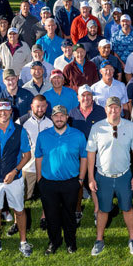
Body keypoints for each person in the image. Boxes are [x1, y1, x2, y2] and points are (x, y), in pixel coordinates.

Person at [86, 97, 133, 255]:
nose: (113, 110)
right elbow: (91, 153)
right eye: (110, 108)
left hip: (124, 176)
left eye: (116, 108)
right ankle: (99, 240)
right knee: (103, 211)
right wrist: (90, 177)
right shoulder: (97, 127)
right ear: (105, 109)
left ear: (121, 109)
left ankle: (132, 239)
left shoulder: (130, 126)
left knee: (127, 208)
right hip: (103, 176)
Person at [0, 101, 36, 258]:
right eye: (0, 110)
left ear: (11, 112)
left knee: (19, 211)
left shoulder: (20, 131)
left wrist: (15, 171)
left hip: (15, 179)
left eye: (6, 110)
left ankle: (23, 242)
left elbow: (27, 155)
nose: (3, 113)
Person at [35, 105, 89, 254]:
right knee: (51, 215)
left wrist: (81, 179)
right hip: (48, 183)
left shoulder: (78, 135)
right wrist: (40, 178)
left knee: (69, 215)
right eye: (56, 116)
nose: (59, 118)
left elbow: (84, 157)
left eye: (62, 116)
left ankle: (70, 242)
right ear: (52, 118)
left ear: (67, 118)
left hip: (70, 182)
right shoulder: (43, 136)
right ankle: (54, 242)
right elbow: (38, 157)